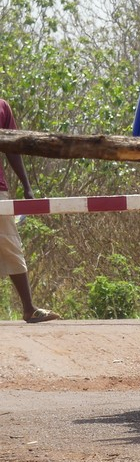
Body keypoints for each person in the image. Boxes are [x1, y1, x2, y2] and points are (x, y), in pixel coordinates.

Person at [0, 98, 59, 324]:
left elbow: (12, 148)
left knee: (9, 244)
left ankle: (28, 308)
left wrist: (26, 185)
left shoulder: (2, 107)